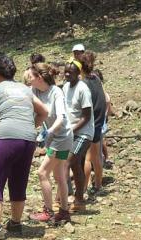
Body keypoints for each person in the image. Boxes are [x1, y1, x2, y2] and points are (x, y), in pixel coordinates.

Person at [0, 56, 48, 240]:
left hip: (7, 137)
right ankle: (15, 223)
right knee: (19, 178)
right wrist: (30, 125)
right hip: (28, 139)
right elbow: (44, 112)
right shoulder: (25, 89)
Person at [27, 63, 73, 225]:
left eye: (31, 77)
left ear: (39, 77)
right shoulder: (35, 91)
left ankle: (48, 212)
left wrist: (49, 131)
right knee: (59, 176)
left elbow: (61, 117)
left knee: (42, 173)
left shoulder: (56, 92)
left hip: (62, 138)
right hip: (55, 138)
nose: (28, 79)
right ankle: (64, 212)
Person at [63, 59, 94, 212]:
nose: (67, 74)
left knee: (67, 162)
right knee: (75, 165)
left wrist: (72, 129)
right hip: (70, 132)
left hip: (83, 133)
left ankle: (62, 201)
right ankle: (79, 200)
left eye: (71, 71)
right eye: (65, 71)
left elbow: (86, 116)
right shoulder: (65, 87)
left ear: (78, 73)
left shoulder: (83, 89)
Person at [80, 52, 107, 194]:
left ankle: (83, 190)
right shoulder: (96, 78)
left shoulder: (83, 84)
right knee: (96, 157)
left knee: (86, 159)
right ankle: (98, 185)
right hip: (98, 123)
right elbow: (104, 100)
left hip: (88, 125)